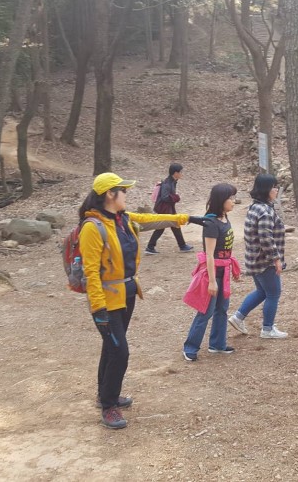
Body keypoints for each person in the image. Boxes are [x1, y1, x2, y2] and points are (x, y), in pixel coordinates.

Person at [79, 172, 207, 429]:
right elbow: (90, 272)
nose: (127, 194)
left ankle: (105, 394)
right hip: (106, 302)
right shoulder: (93, 228)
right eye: (123, 191)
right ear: (110, 194)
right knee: (120, 352)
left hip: (127, 295)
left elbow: (152, 219)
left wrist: (188, 218)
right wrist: (99, 308)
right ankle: (109, 406)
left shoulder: (123, 219)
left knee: (111, 348)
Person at [182, 183, 240, 361]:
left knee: (222, 309)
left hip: (224, 270)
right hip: (212, 273)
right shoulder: (211, 223)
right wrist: (213, 281)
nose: (233, 201)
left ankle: (217, 344)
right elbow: (209, 255)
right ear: (221, 200)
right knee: (206, 311)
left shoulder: (224, 218)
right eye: (230, 198)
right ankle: (190, 347)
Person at [228, 174, 288, 339]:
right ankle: (267, 329)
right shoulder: (264, 211)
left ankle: (238, 317)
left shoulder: (255, 207)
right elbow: (265, 238)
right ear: (266, 189)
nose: (276, 190)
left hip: (254, 259)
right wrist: (276, 259)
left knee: (262, 291)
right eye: (274, 187)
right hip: (264, 261)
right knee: (273, 293)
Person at [145, 163, 194, 254]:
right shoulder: (167, 183)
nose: (182, 174)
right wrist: (175, 197)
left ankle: (150, 247)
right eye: (180, 172)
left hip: (168, 209)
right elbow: (164, 197)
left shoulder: (172, 181)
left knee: (167, 226)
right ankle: (182, 246)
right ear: (175, 173)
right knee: (170, 225)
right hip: (165, 210)